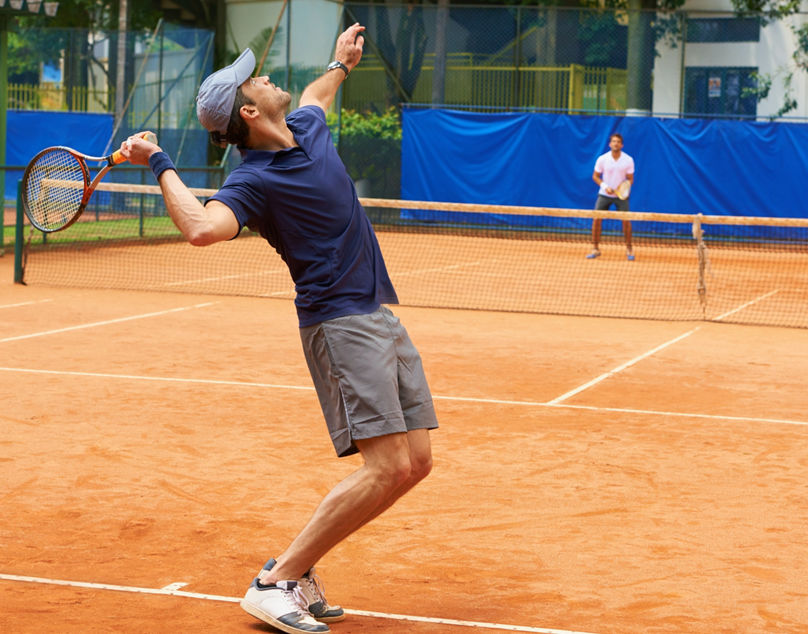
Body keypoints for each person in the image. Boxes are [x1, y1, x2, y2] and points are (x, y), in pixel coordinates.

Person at [122, 22, 438, 634]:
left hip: (377, 312)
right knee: (386, 467)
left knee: (416, 462)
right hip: (340, 324)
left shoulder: (307, 128)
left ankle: (299, 570)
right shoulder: (253, 181)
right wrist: (160, 162)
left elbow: (318, 95)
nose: (268, 77)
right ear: (248, 107)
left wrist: (341, 64)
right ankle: (274, 582)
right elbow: (201, 228)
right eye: (257, 79)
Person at [586, 132, 635, 261]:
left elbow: (630, 179)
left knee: (626, 221)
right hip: (604, 194)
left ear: (622, 145)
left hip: (621, 197)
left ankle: (629, 248)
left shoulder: (628, 160)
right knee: (596, 220)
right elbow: (595, 176)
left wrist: (622, 189)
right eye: (613, 141)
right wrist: (605, 186)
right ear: (610, 144)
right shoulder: (602, 159)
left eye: (618, 142)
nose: (615, 144)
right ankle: (595, 248)